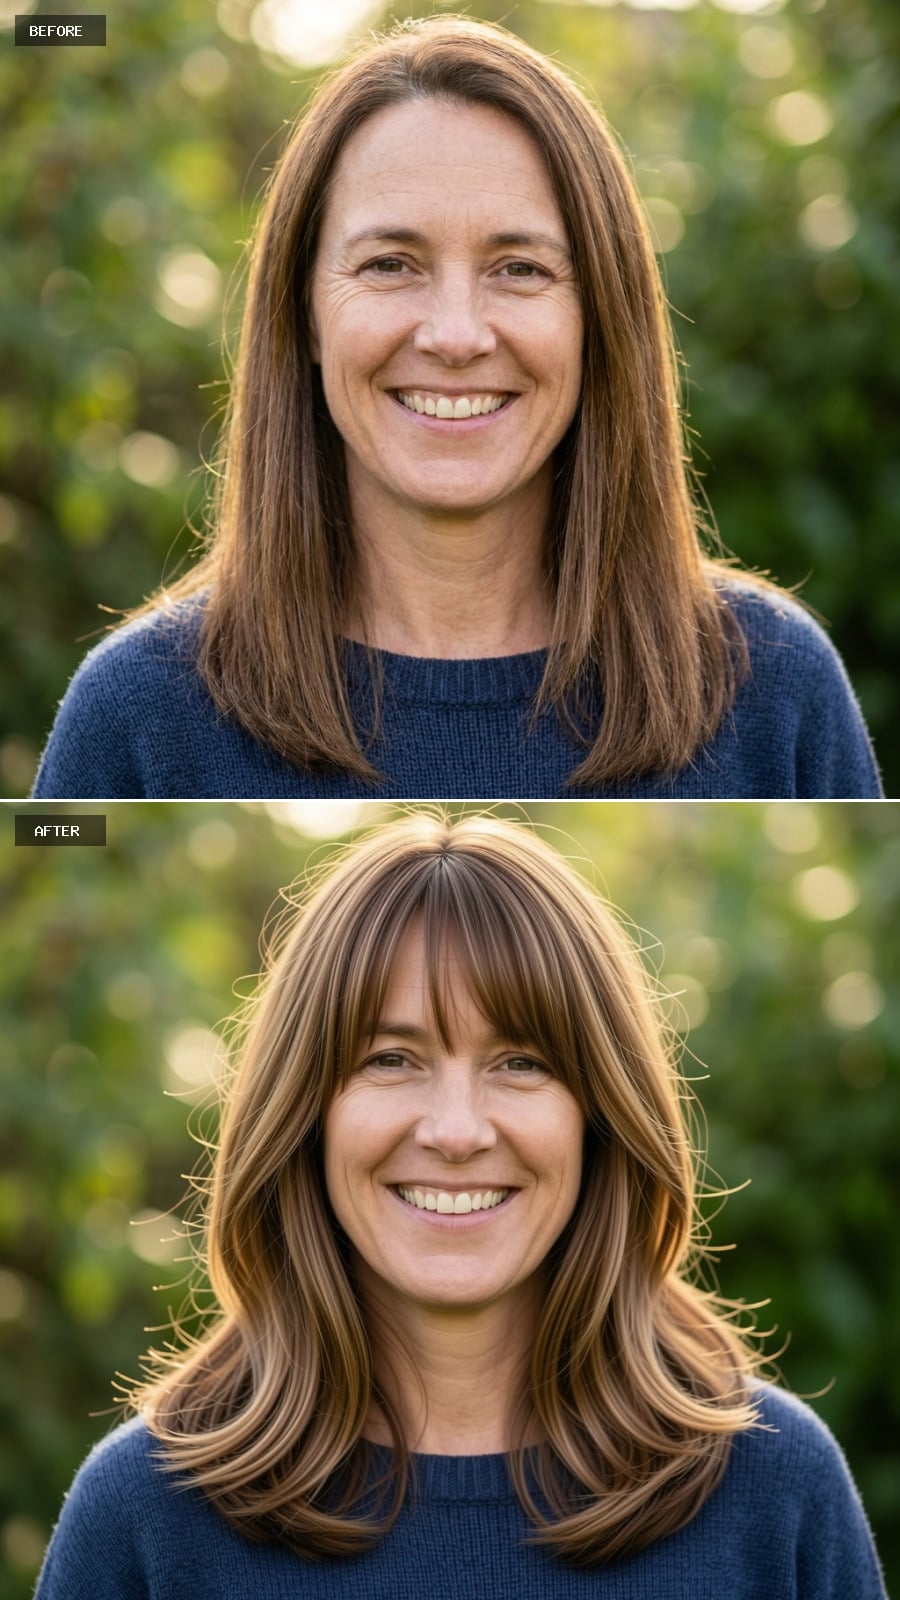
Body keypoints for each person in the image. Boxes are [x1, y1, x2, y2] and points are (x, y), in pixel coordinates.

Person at [35, 814, 886, 1597]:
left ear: (599, 1116)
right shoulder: (144, 1513)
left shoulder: (774, 1490)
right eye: (390, 1059)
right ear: (306, 1115)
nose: (455, 1131)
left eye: (520, 1061)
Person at [31, 19, 880, 800]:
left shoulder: (774, 689)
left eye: (521, 269)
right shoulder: (137, 715)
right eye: (391, 265)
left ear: (601, 322)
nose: (456, 334)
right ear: (305, 316)